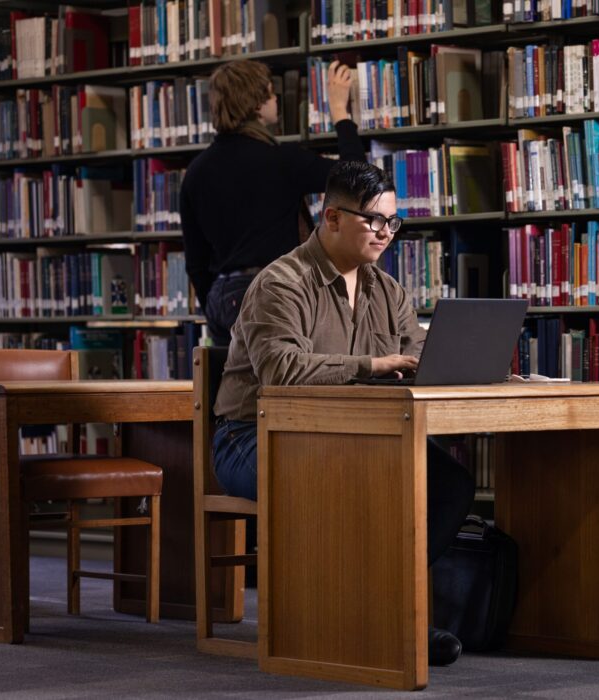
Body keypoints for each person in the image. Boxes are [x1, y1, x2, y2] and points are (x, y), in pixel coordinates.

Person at [212, 160, 474, 667]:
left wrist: (464, 368)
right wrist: (374, 364)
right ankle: (360, 621)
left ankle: (387, 612)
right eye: (373, 221)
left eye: (393, 222)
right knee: (352, 478)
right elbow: (280, 370)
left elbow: (417, 354)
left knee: (448, 485)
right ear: (330, 218)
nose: (385, 233)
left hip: (350, 434)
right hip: (253, 436)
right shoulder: (282, 282)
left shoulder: (387, 290)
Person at [181, 58, 365, 346]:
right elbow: (358, 180)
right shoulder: (282, 160)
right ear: (256, 104)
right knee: (285, 387)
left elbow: (195, 261)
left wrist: (217, 305)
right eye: (270, 92)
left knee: (238, 387)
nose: (276, 99)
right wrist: (340, 112)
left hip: (222, 296)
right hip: (273, 291)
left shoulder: (195, 171)